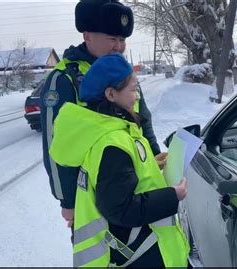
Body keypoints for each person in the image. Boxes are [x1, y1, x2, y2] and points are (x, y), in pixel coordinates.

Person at [49, 53, 189, 267]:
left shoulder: (112, 132)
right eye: (133, 90)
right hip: (139, 255)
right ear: (111, 94)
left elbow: (122, 182)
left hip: (137, 250)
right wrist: (173, 195)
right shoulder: (112, 143)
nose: (137, 96)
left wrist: (152, 163)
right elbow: (120, 209)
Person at [40, 0, 162, 231]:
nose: (118, 46)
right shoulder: (65, 79)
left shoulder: (123, 72)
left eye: (122, 40)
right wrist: (68, 200)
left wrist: (154, 157)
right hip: (91, 195)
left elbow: (142, 121)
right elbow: (55, 146)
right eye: (112, 39)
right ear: (87, 36)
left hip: (134, 189)